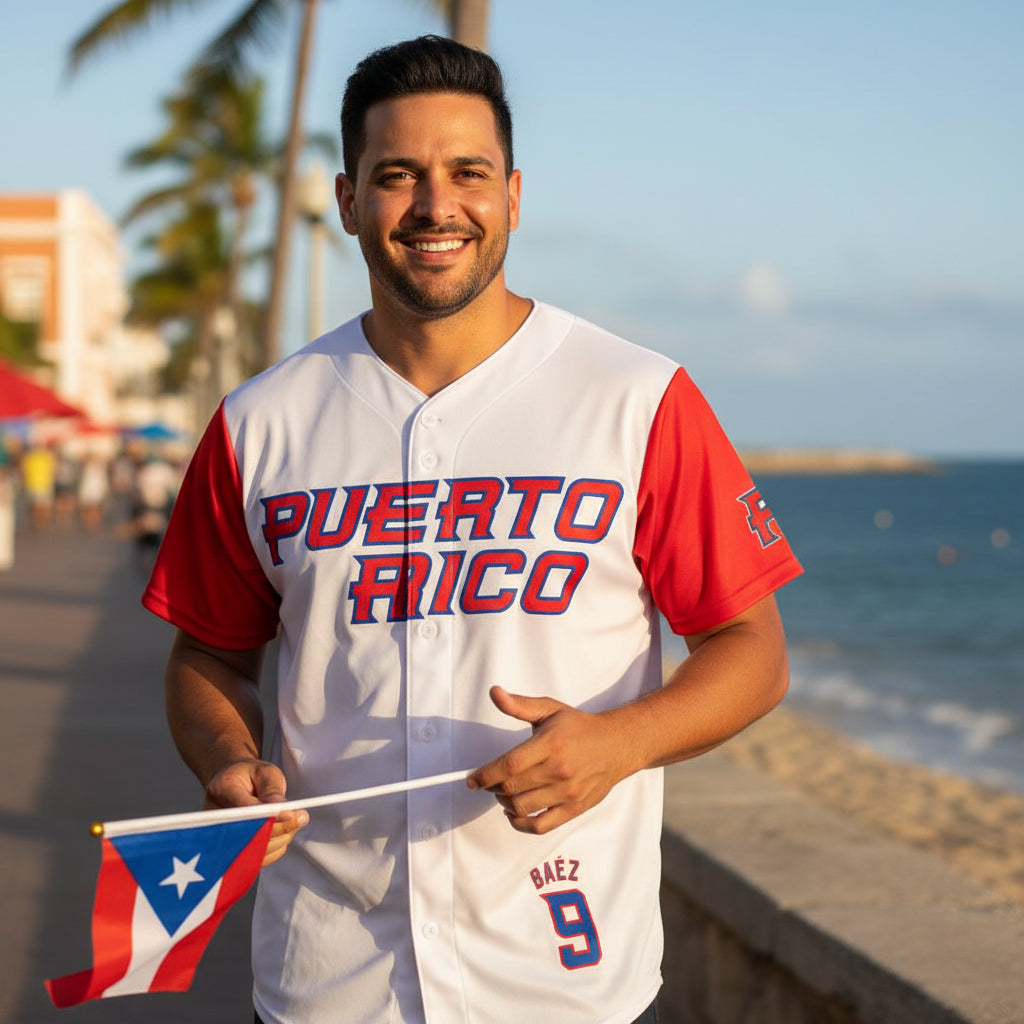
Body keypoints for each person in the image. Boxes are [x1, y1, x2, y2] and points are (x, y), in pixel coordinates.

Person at [142, 35, 802, 1024]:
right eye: (397, 174)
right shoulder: (259, 422)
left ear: (514, 195)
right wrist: (227, 759)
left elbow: (751, 651)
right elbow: (207, 655)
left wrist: (617, 743)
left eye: (467, 173)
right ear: (348, 200)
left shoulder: (635, 398)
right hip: (327, 979)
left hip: (563, 980)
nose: (434, 205)